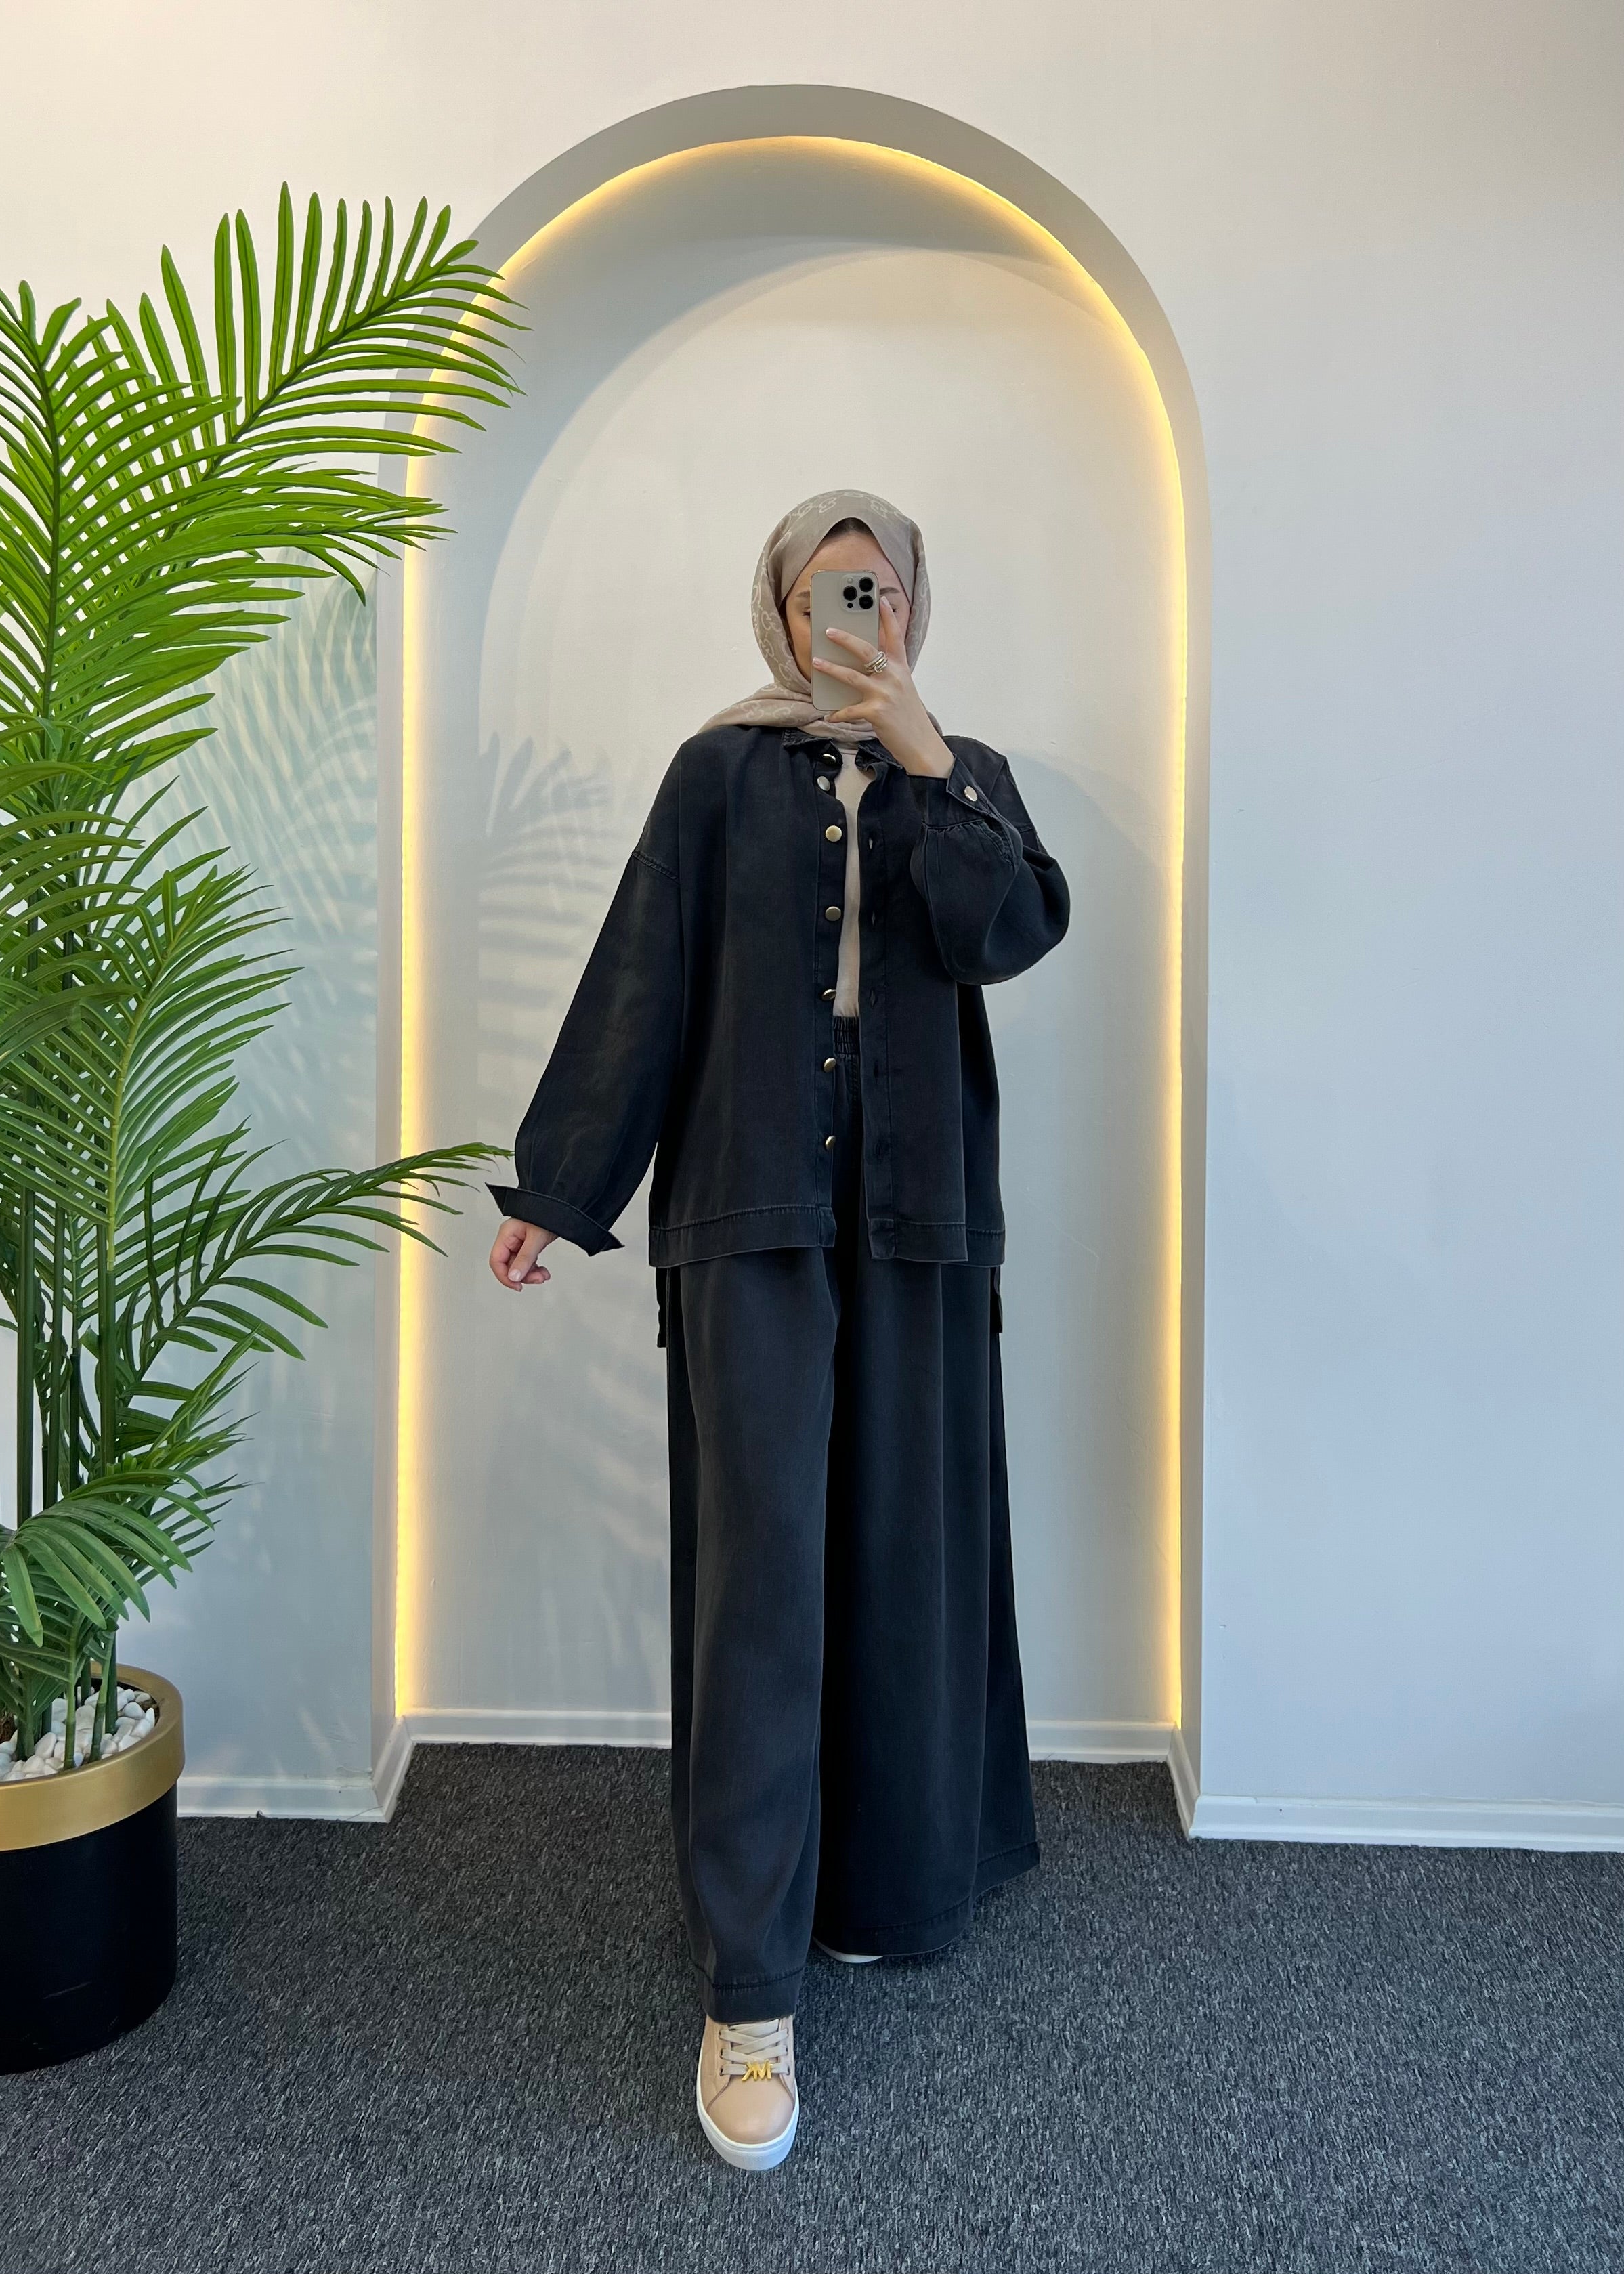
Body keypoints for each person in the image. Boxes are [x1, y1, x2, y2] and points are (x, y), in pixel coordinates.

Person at [487, 489, 1071, 2172]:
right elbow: (642, 979)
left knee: (902, 1557)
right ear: (779, 604)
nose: (855, 615)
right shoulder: (715, 774)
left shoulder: (966, 777)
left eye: (879, 588)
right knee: (761, 1583)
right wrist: (561, 1184)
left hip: (918, 1225)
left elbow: (1012, 930)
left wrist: (925, 756)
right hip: (748, 1216)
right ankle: (747, 1990)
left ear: (913, 607)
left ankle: (881, 1885)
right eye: (828, 590)